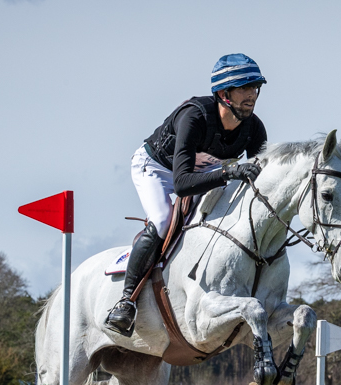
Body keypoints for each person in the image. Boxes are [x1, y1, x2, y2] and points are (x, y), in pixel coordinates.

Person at [104, 54, 269, 336]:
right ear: (223, 94)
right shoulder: (194, 116)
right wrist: (229, 173)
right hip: (157, 168)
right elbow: (181, 184)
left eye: (255, 87)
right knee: (163, 220)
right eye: (244, 87)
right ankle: (126, 301)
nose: (252, 94)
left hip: (204, 174)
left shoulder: (254, 129)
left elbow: (259, 179)